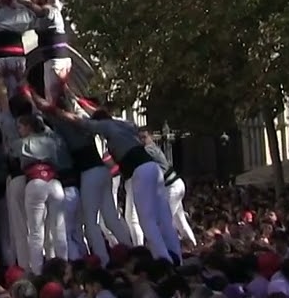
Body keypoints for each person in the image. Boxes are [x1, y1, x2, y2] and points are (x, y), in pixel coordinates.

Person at [38, 93, 183, 263]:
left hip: (136, 171)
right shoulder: (123, 124)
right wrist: (74, 97)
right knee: (163, 218)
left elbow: (83, 122)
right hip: (151, 169)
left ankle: (161, 261)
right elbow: (98, 115)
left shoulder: (106, 127)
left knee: (146, 221)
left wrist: (53, 109)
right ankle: (174, 257)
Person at [0, 83, 70, 274]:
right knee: (58, 229)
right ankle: (64, 270)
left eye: (21, 125)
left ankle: (37, 272)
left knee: (35, 231)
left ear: (27, 126)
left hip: (34, 182)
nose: (18, 128)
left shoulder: (22, 142)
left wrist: (1, 88)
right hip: (55, 183)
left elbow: (5, 122)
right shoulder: (51, 138)